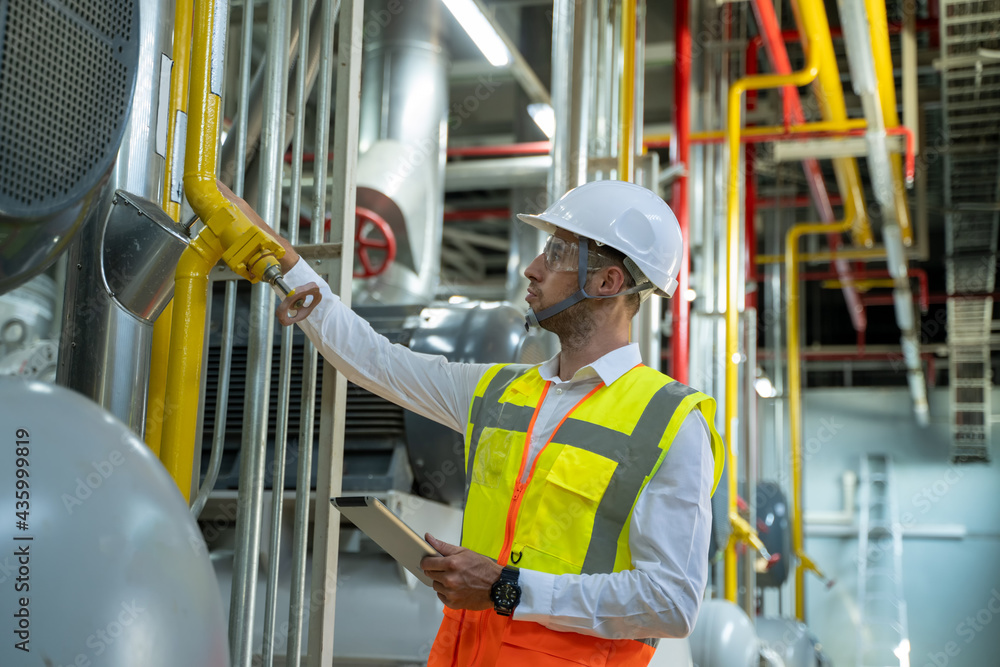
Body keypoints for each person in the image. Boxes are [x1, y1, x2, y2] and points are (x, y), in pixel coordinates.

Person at [223, 179, 724, 667]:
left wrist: (507, 588)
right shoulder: (499, 391)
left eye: (554, 253)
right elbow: (377, 363)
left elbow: (671, 602)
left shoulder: (671, 423)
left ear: (607, 281)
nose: (532, 269)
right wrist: (285, 266)